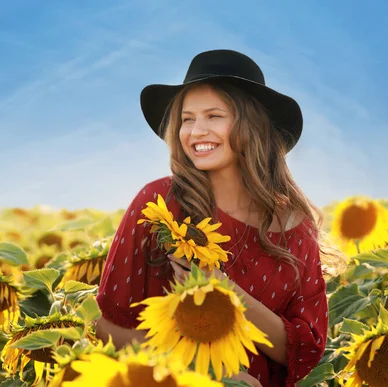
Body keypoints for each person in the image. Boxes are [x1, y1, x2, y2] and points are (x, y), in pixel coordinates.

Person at [95, 49, 342, 387]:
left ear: (252, 125)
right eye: (187, 118)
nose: (196, 131)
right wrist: (208, 373)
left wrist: (225, 292)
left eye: (214, 116)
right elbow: (105, 325)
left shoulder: (296, 227)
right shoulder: (160, 204)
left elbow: (303, 350)